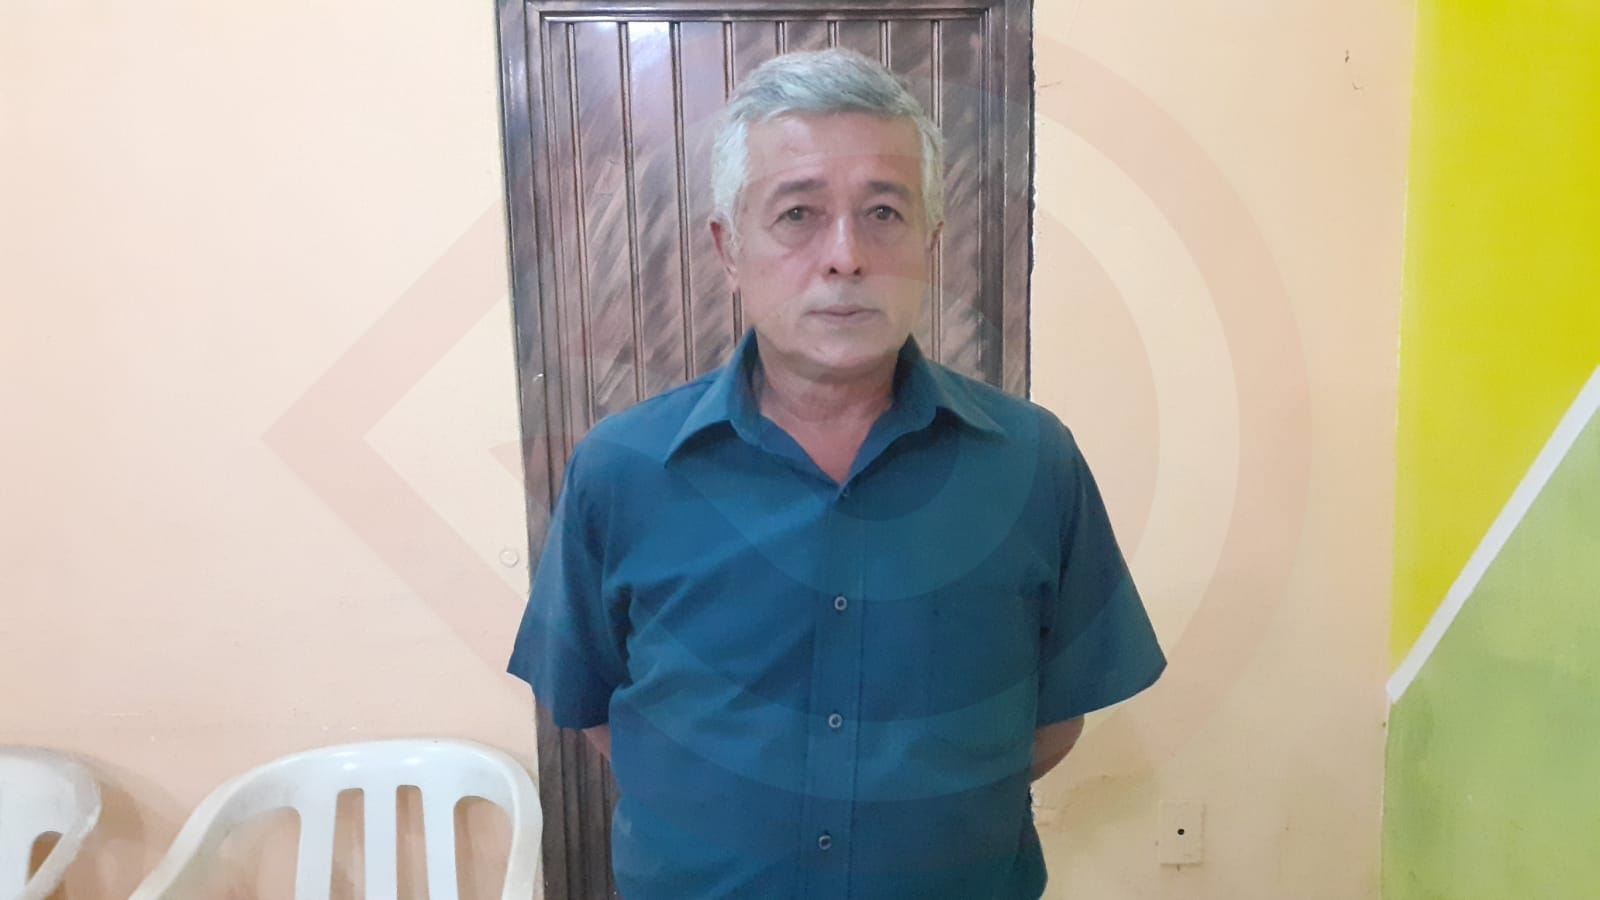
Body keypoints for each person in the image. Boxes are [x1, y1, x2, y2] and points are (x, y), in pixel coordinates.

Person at [508, 48, 1165, 899]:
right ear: (729, 248)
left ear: (929, 245)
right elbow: (597, 707)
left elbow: (1054, 720)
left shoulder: (1034, 462)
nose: (846, 256)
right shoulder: (622, 469)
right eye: (798, 214)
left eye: (884, 213)